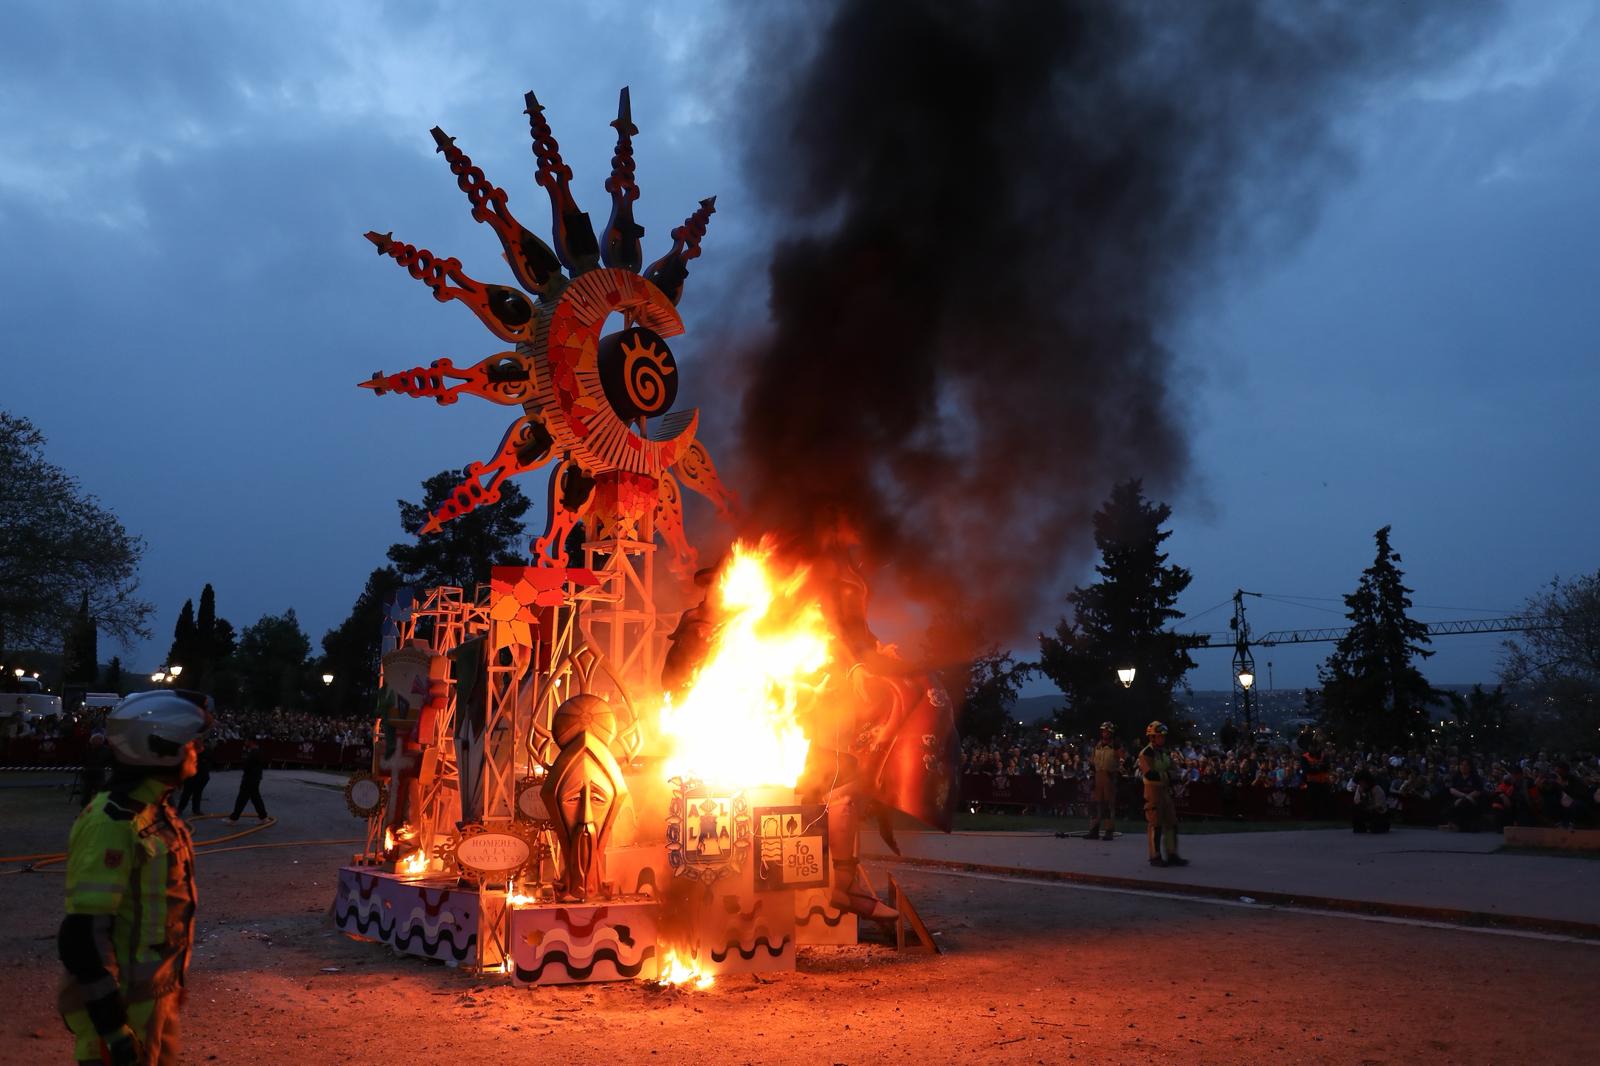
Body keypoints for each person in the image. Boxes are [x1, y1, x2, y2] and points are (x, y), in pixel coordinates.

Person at [58, 689, 211, 1066]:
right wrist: (113, 1029)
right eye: (191, 742)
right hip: (120, 1019)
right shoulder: (112, 822)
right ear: (159, 746)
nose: (198, 750)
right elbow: (82, 937)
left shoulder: (156, 812)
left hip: (153, 1006)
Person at [1138, 721, 1187, 868]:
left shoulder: (1164, 752)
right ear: (1152, 737)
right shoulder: (1146, 753)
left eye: (1164, 736)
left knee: (1172, 823)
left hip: (1164, 791)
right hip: (1152, 791)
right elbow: (1150, 774)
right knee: (1155, 824)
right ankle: (1155, 856)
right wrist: (1169, 775)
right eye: (1160, 736)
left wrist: (1179, 773)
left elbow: (1175, 768)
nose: (1163, 739)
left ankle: (1172, 854)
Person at [1085, 722, 1124, 841]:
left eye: (1107, 731)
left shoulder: (1116, 746)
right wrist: (1092, 777)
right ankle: (1094, 830)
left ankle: (1108, 831)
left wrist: (1117, 771)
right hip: (1097, 776)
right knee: (1094, 805)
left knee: (1108, 805)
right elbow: (1092, 761)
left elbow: (1124, 760)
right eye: (1103, 731)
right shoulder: (1097, 745)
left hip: (1109, 777)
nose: (1104, 733)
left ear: (1111, 733)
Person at [227, 739, 269, 822]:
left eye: (247, 741)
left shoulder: (252, 753)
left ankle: (234, 818)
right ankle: (263, 816)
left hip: (249, 778)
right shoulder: (258, 752)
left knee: (242, 798)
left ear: (251, 742)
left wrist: (244, 755)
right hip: (255, 778)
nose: (245, 743)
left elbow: (246, 765)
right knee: (255, 797)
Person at [1445, 757, 1485, 832]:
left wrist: (1467, 798)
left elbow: (1478, 791)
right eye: (1461, 765)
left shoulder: (1476, 777)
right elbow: (1452, 789)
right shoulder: (1456, 777)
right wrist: (1464, 796)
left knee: (1465, 803)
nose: (1463, 767)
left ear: (1470, 766)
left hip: (1473, 800)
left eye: (1466, 765)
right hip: (1459, 799)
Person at [176, 744, 212, 815]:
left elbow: (209, 761)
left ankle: (195, 810)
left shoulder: (206, 750)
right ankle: (180, 809)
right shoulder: (189, 750)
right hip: (191, 775)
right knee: (187, 793)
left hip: (202, 775)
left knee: (197, 792)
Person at [1351, 769, 1390, 833]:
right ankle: (1359, 827)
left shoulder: (1377, 789)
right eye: (1359, 782)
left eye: (1362, 782)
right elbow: (1356, 801)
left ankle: (1378, 826)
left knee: (1376, 826)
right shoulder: (1360, 788)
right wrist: (1361, 795)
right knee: (1355, 808)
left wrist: (1367, 806)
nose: (1360, 784)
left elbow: (1379, 806)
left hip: (1379, 814)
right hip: (1367, 810)